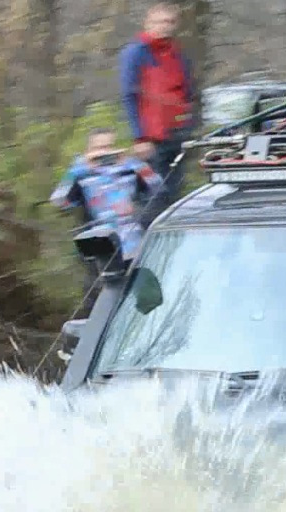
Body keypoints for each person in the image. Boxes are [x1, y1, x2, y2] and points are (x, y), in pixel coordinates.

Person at [50, 128, 165, 297]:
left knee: (147, 299)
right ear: (89, 150)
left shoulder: (129, 169)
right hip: (101, 250)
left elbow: (158, 186)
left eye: (109, 146)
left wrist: (135, 163)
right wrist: (78, 168)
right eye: (99, 148)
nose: (104, 152)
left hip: (135, 246)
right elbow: (59, 201)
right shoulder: (81, 174)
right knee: (105, 301)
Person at [119, 2, 197, 211]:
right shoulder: (136, 53)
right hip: (152, 139)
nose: (164, 26)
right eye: (159, 21)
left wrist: (188, 127)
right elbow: (129, 95)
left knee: (174, 195)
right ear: (147, 23)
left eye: (169, 22)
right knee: (153, 197)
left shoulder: (177, 54)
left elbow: (187, 94)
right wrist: (140, 137)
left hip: (177, 136)